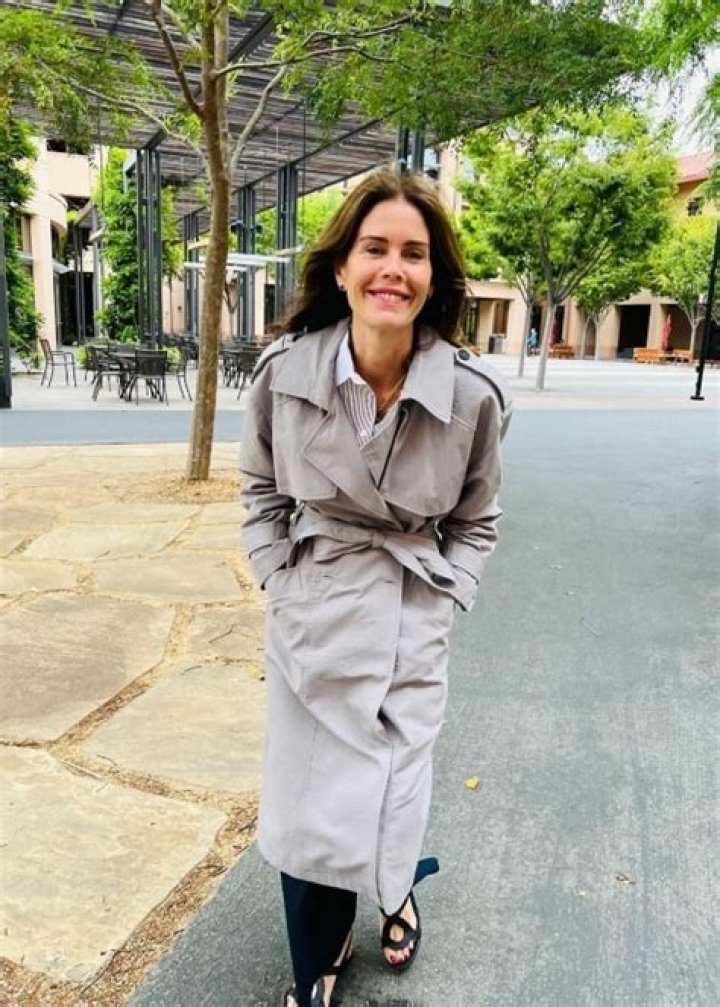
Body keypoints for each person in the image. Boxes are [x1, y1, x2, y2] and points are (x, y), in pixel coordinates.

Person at [240, 168, 512, 1007]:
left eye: (414, 253)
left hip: (408, 614)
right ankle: (319, 948)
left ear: (433, 275)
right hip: (314, 610)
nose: (393, 268)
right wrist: (281, 578)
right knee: (309, 799)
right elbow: (261, 490)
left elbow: (477, 519)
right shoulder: (284, 372)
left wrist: (445, 596)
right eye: (375, 248)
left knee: (396, 788)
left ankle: (396, 891)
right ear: (343, 266)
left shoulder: (471, 396)